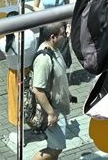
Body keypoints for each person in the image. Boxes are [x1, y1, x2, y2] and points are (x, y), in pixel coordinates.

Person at [30, 23, 72, 160]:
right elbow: (38, 90)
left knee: (56, 148)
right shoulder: (44, 59)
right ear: (53, 37)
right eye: (63, 34)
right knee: (55, 148)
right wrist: (51, 113)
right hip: (51, 110)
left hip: (57, 108)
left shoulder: (54, 49)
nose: (65, 36)